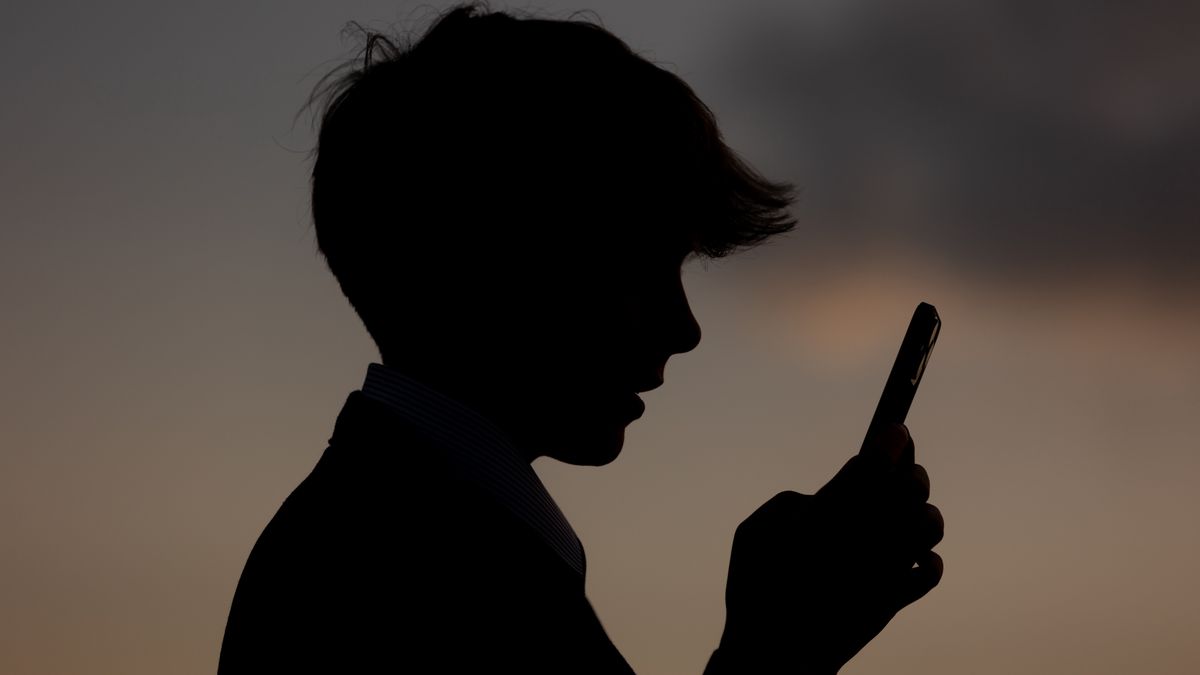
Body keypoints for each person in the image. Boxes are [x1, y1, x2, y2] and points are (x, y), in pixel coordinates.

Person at [218, 3, 944, 673]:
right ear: (496, 258)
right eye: (642, 265)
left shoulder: (368, 537)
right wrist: (777, 649)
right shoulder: (421, 576)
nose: (685, 328)